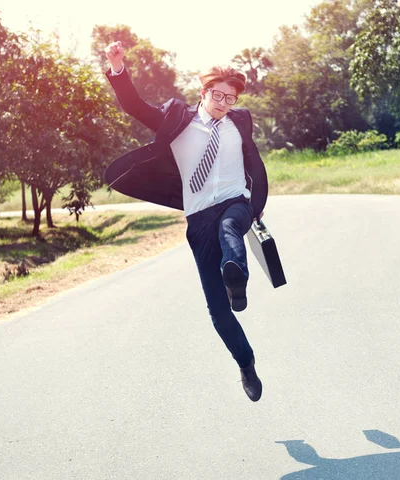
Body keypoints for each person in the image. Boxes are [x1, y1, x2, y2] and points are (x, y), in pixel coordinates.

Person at [103, 41, 268, 402]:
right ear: (204, 92)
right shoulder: (177, 118)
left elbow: (253, 162)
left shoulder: (240, 122)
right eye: (219, 96)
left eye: (231, 98)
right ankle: (246, 362)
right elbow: (133, 106)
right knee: (218, 314)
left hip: (234, 202)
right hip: (198, 216)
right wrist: (117, 68)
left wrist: (256, 204)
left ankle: (237, 278)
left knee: (230, 228)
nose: (225, 104)